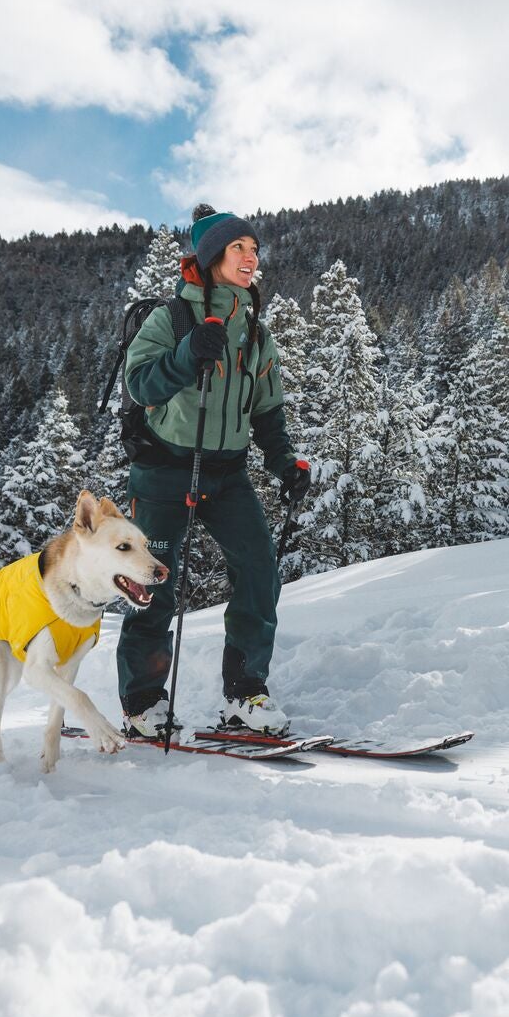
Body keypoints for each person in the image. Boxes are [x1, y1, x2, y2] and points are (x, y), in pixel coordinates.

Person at [115, 204, 312, 738]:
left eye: (254, 249)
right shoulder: (170, 319)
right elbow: (140, 385)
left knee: (258, 571)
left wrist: (284, 463)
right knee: (153, 582)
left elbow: (267, 411)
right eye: (237, 249)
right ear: (210, 259)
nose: (251, 257)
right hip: (162, 471)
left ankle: (245, 694)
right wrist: (185, 356)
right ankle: (143, 705)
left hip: (227, 472)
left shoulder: (255, 334)